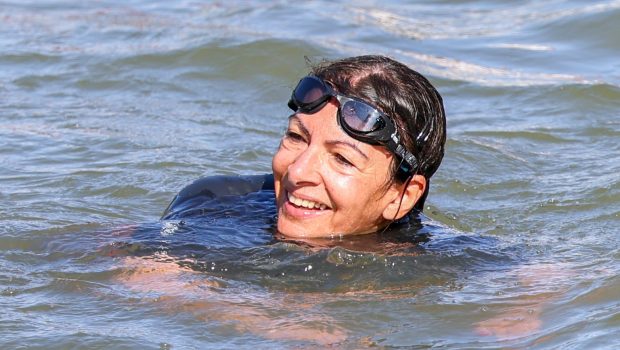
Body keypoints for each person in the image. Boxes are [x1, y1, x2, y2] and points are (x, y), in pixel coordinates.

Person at [163, 55, 446, 240]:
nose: (297, 173)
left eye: (342, 159)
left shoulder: (444, 266)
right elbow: (136, 267)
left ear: (402, 197)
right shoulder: (212, 204)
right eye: (297, 138)